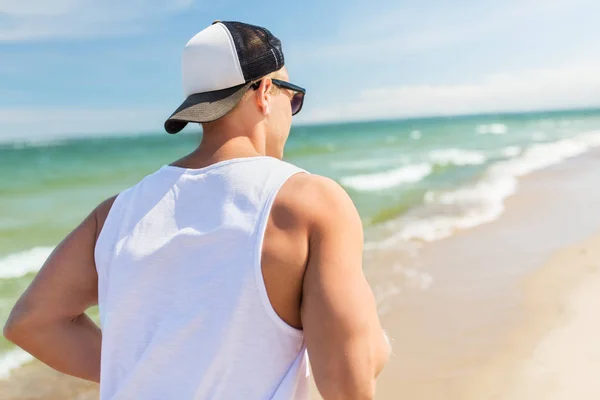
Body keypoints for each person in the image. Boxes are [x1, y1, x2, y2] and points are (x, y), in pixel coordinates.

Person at [3, 21, 390, 399]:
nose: (293, 112)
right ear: (266, 92)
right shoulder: (311, 201)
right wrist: (376, 344)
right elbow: (345, 383)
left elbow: (32, 323)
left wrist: (153, 368)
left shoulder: (116, 213)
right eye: (295, 98)